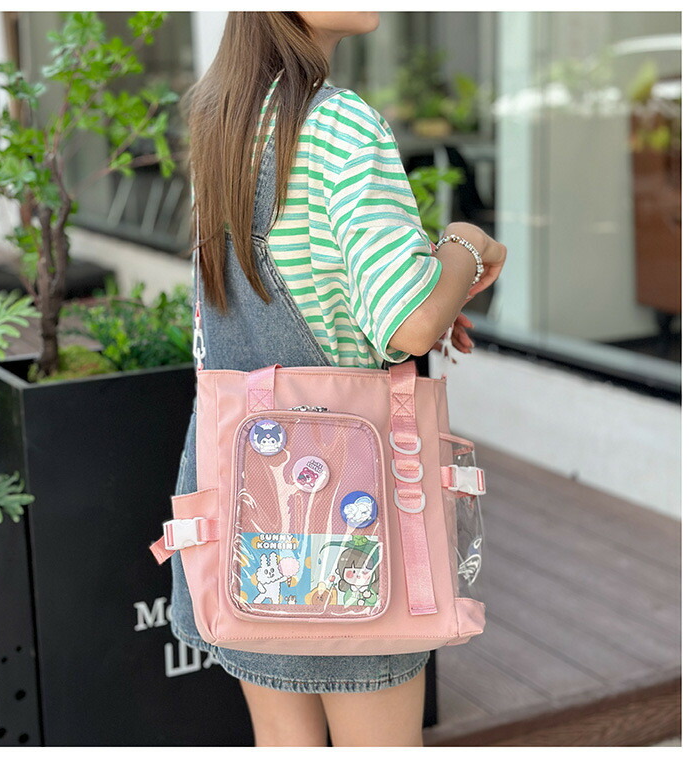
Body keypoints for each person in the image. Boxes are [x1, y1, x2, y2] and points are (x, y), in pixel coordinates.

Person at [172, 11, 507, 748]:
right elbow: (410, 323)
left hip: (244, 497)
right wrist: (466, 245)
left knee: (283, 742)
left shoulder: (222, 118)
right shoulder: (338, 124)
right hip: (346, 502)